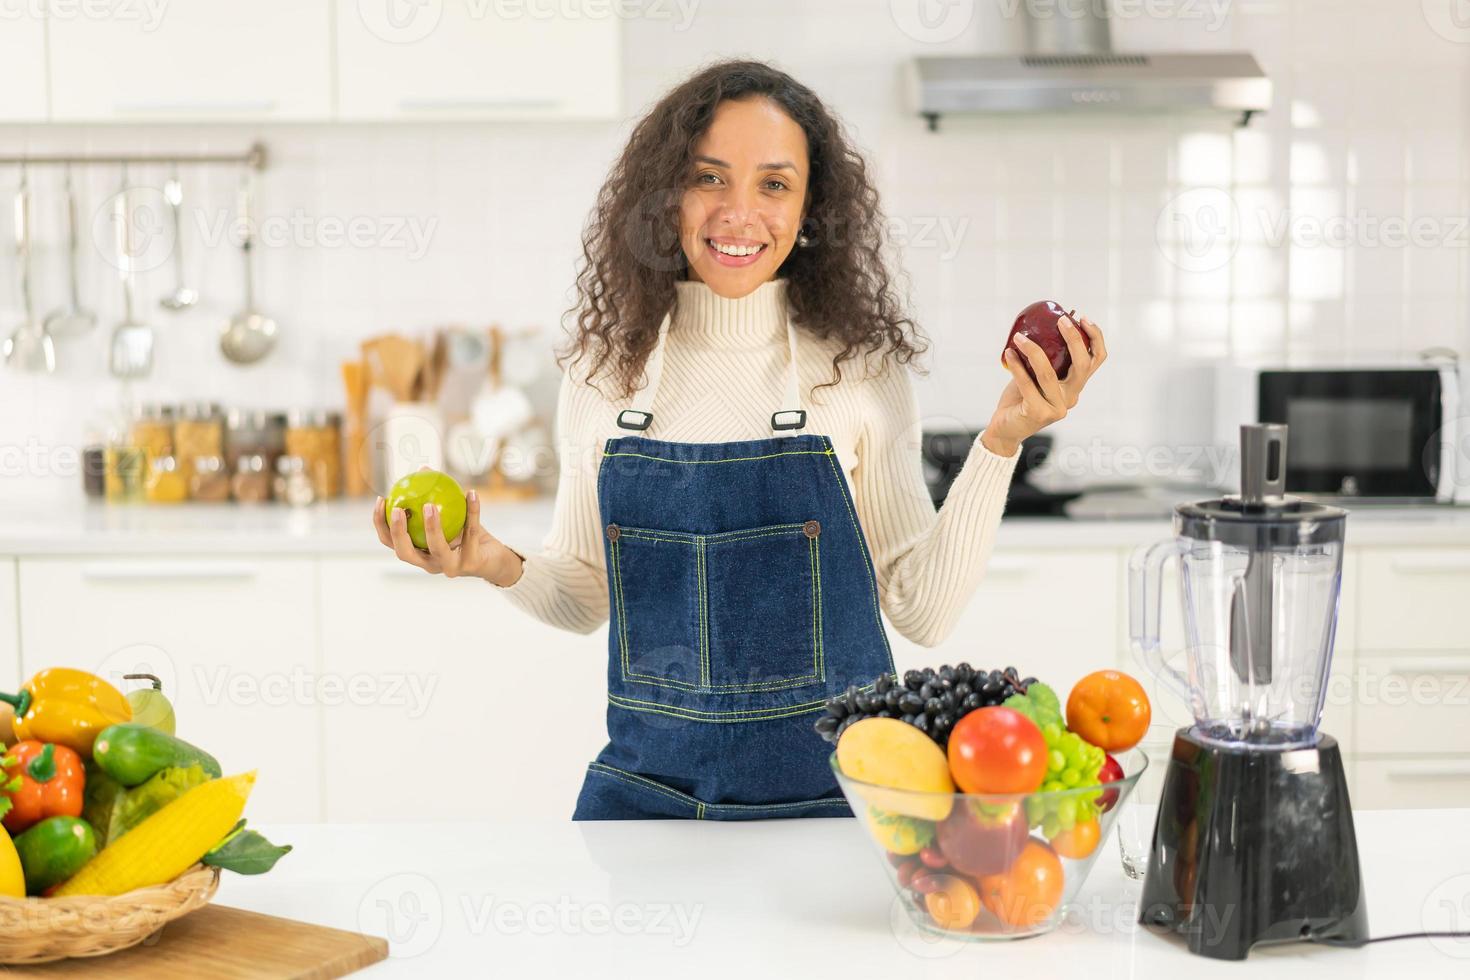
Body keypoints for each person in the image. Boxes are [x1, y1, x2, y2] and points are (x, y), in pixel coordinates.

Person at [373, 60, 1107, 820]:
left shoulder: (856, 368)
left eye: (774, 184)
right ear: (666, 196)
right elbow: (587, 594)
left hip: (837, 804)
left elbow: (921, 611)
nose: (739, 212)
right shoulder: (605, 370)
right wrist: (494, 562)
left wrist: (1003, 440)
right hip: (646, 805)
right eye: (709, 178)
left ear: (810, 207)